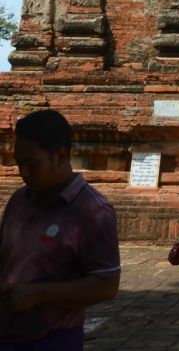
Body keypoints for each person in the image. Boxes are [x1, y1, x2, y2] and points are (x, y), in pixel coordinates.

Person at [0, 109, 120, 351]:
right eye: (19, 163)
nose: (23, 173)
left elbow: (106, 285)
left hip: (53, 337)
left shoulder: (91, 211)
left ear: (61, 156)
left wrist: (38, 294)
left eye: (32, 164)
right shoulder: (20, 200)